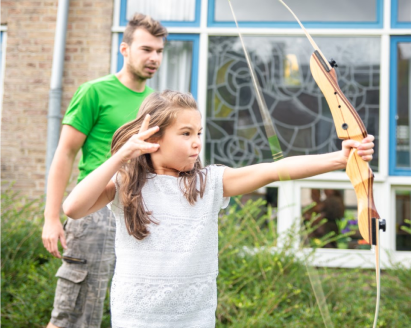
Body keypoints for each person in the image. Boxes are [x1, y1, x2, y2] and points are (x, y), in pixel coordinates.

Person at [62, 90, 375, 327]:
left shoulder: (209, 183)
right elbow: (73, 208)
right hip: (137, 317)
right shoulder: (126, 183)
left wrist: (339, 158)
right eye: (185, 134)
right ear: (153, 137)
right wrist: (121, 156)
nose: (197, 142)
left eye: (198, 133)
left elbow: (272, 169)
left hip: (194, 317)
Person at [42, 13, 167, 328]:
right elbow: (65, 153)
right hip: (94, 213)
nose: (154, 58)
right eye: (146, 49)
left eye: (160, 51)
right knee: (74, 317)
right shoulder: (94, 92)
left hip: (138, 214)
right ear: (124, 49)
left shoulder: (157, 104)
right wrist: (51, 217)